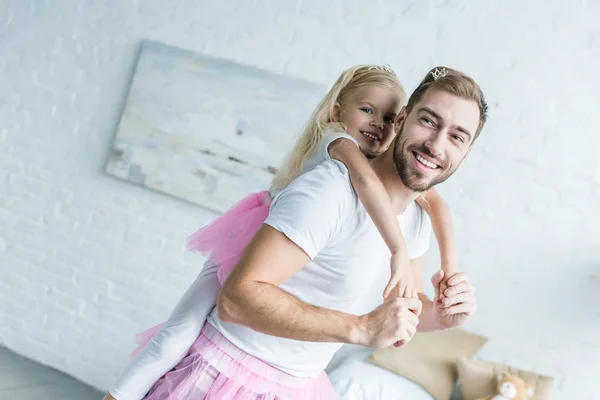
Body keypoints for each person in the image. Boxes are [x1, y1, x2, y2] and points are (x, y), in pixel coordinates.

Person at [103, 65, 472, 400]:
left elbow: (405, 305)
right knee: (177, 332)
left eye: (457, 136)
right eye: (428, 121)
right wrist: (359, 326)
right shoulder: (331, 187)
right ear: (405, 120)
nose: (437, 144)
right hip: (228, 374)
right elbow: (235, 300)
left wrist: (442, 315)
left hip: (299, 386)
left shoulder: (418, 219)